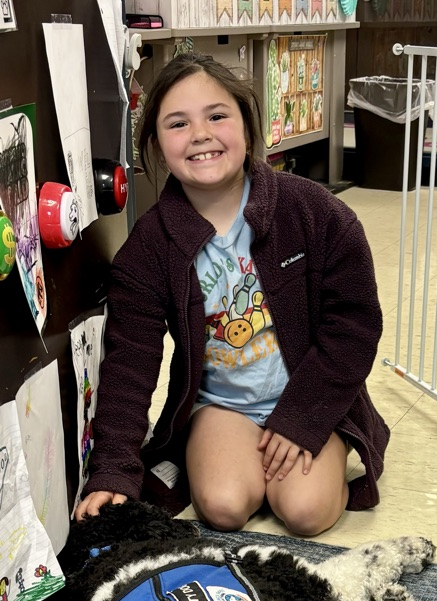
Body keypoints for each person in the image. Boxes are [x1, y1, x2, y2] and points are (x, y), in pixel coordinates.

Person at [74, 52, 388, 536]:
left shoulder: (314, 211)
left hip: (309, 393)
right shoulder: (149, 245)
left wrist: (303, 417)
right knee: (222, 506)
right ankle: (240, 458)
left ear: (246, 123)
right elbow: (129, 360)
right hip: (220, 405)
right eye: (178, 124)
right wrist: (115, 467)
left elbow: (354, 326)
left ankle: (331, 446)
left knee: (306, 512)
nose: (201, 134)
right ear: (156, 145)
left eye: (217, 116)